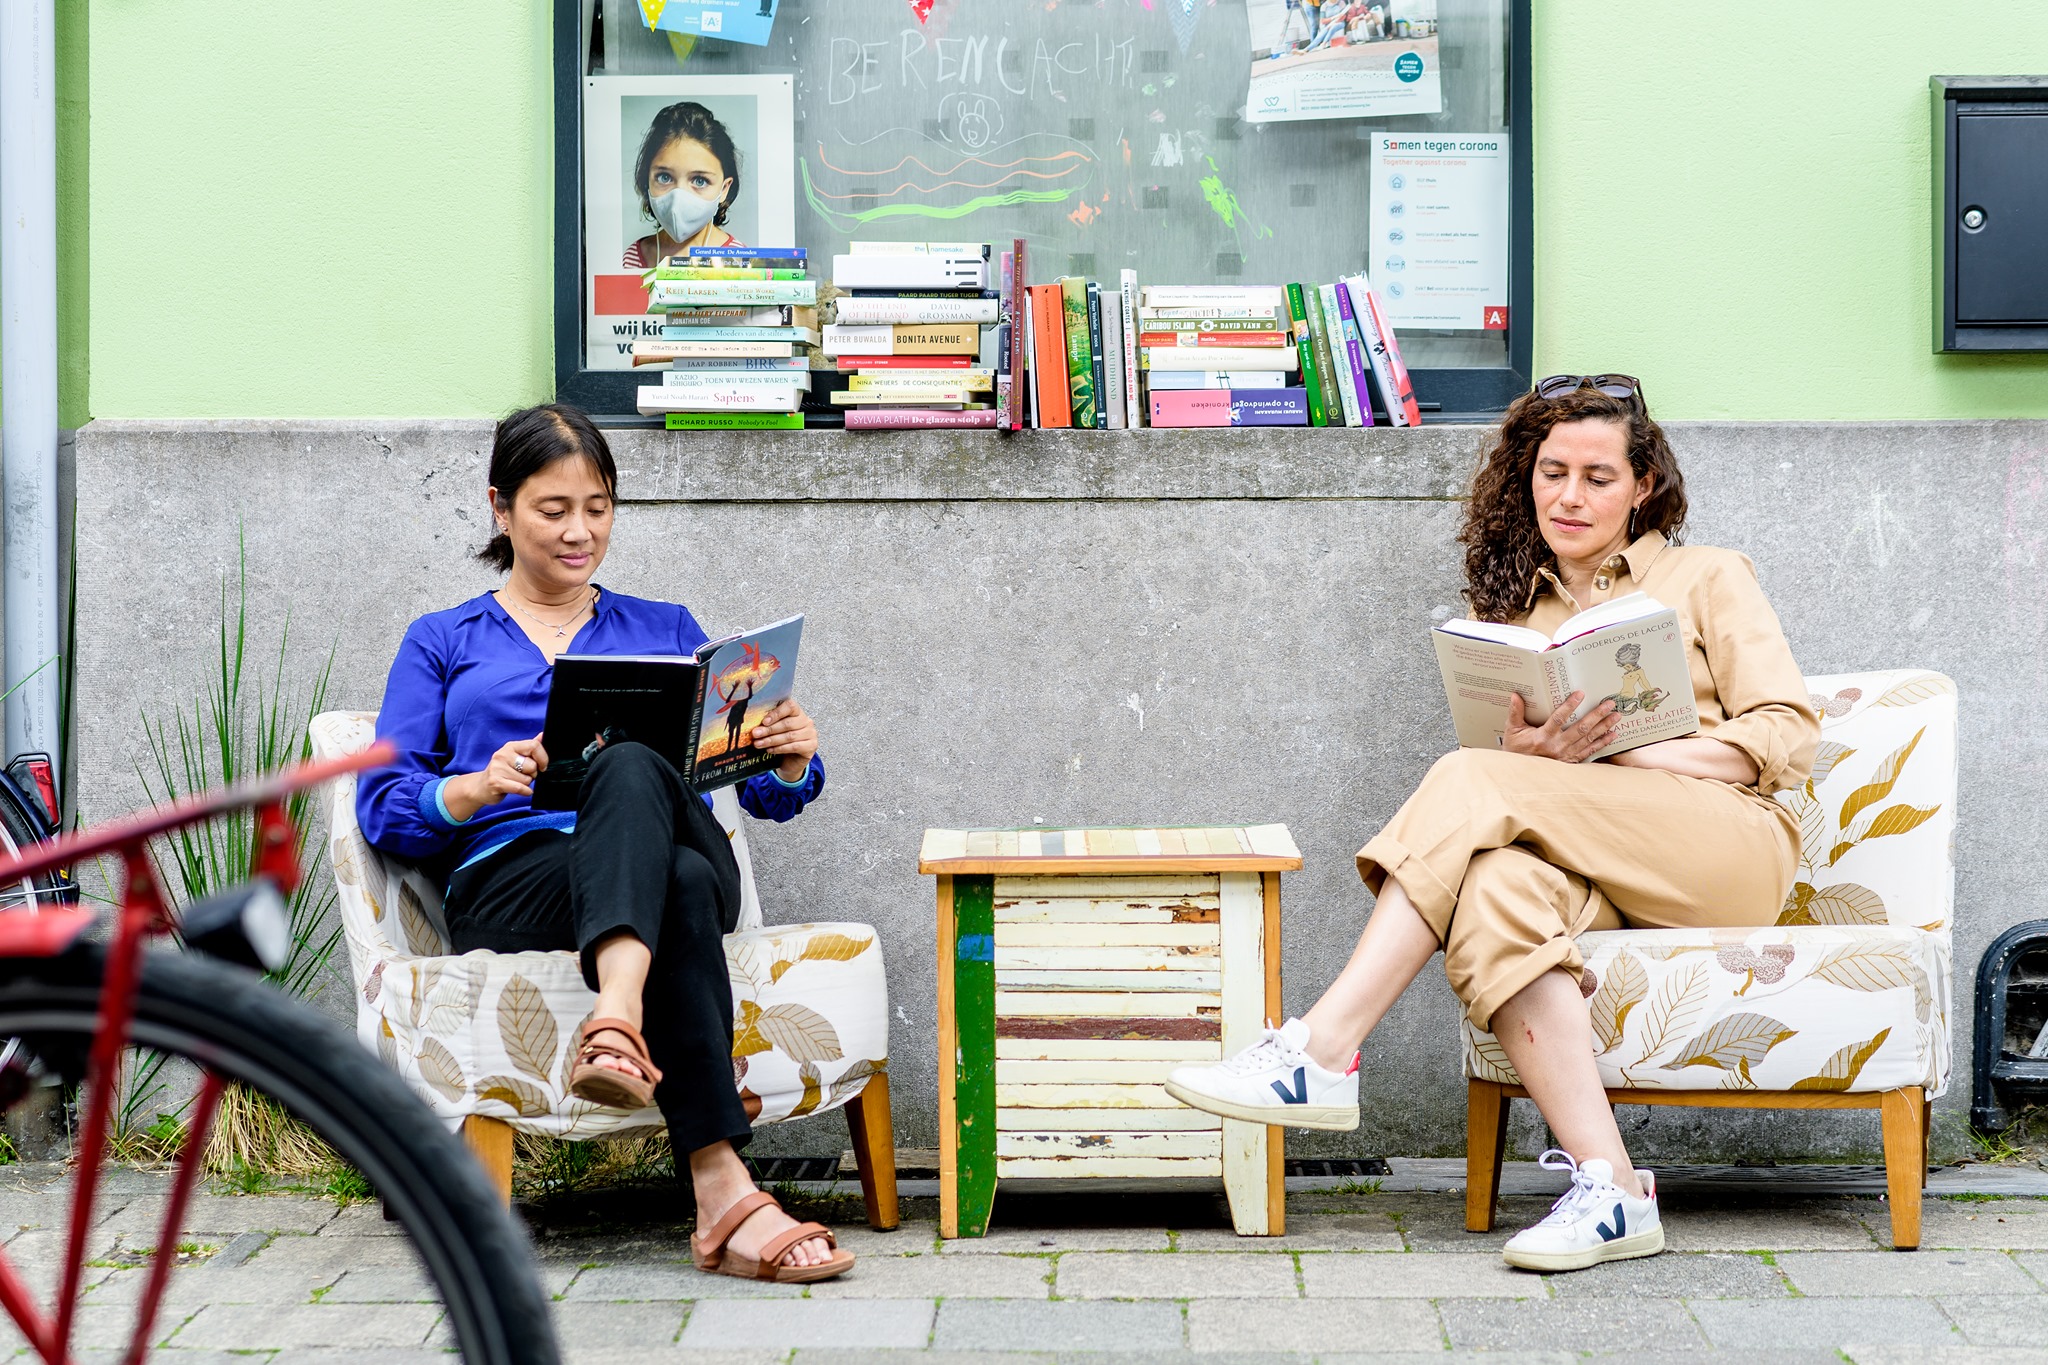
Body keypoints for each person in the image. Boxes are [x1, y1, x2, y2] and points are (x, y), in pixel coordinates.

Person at [1164, 375, 1819, 1273]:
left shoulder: (1708, 574)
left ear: (1644, 487)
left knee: (1471, 779)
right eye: (1553, 473)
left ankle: (1323, 1046)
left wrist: (1621, 754)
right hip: (1596, 853)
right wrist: (1535, 757)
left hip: (1727, 846)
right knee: (1499, 890)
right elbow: (1508, 784)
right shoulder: (1516, 610)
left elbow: (1786, 732)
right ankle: (1614, 1191)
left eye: (1598, 476)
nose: (1571, 496)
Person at [357, 403, 851, 1284]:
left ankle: (614, 1021)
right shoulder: (442, 640)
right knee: (685, 885)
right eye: (553, 509)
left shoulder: (664, 627)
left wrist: (789, 761)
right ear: (500, 508)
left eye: (599, 506)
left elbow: (759, 795)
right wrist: (470, 787)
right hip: (516, 876)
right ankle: (721, 1188)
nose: (580, 530)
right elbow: (383, 804)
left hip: (658, 829)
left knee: (628, 765)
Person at [622, 102, 747, 270]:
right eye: (665, 177)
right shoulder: (632, 259)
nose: (678, 197)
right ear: (647, 181)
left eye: (700, 181)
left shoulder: (740, 261)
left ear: (724, 189)